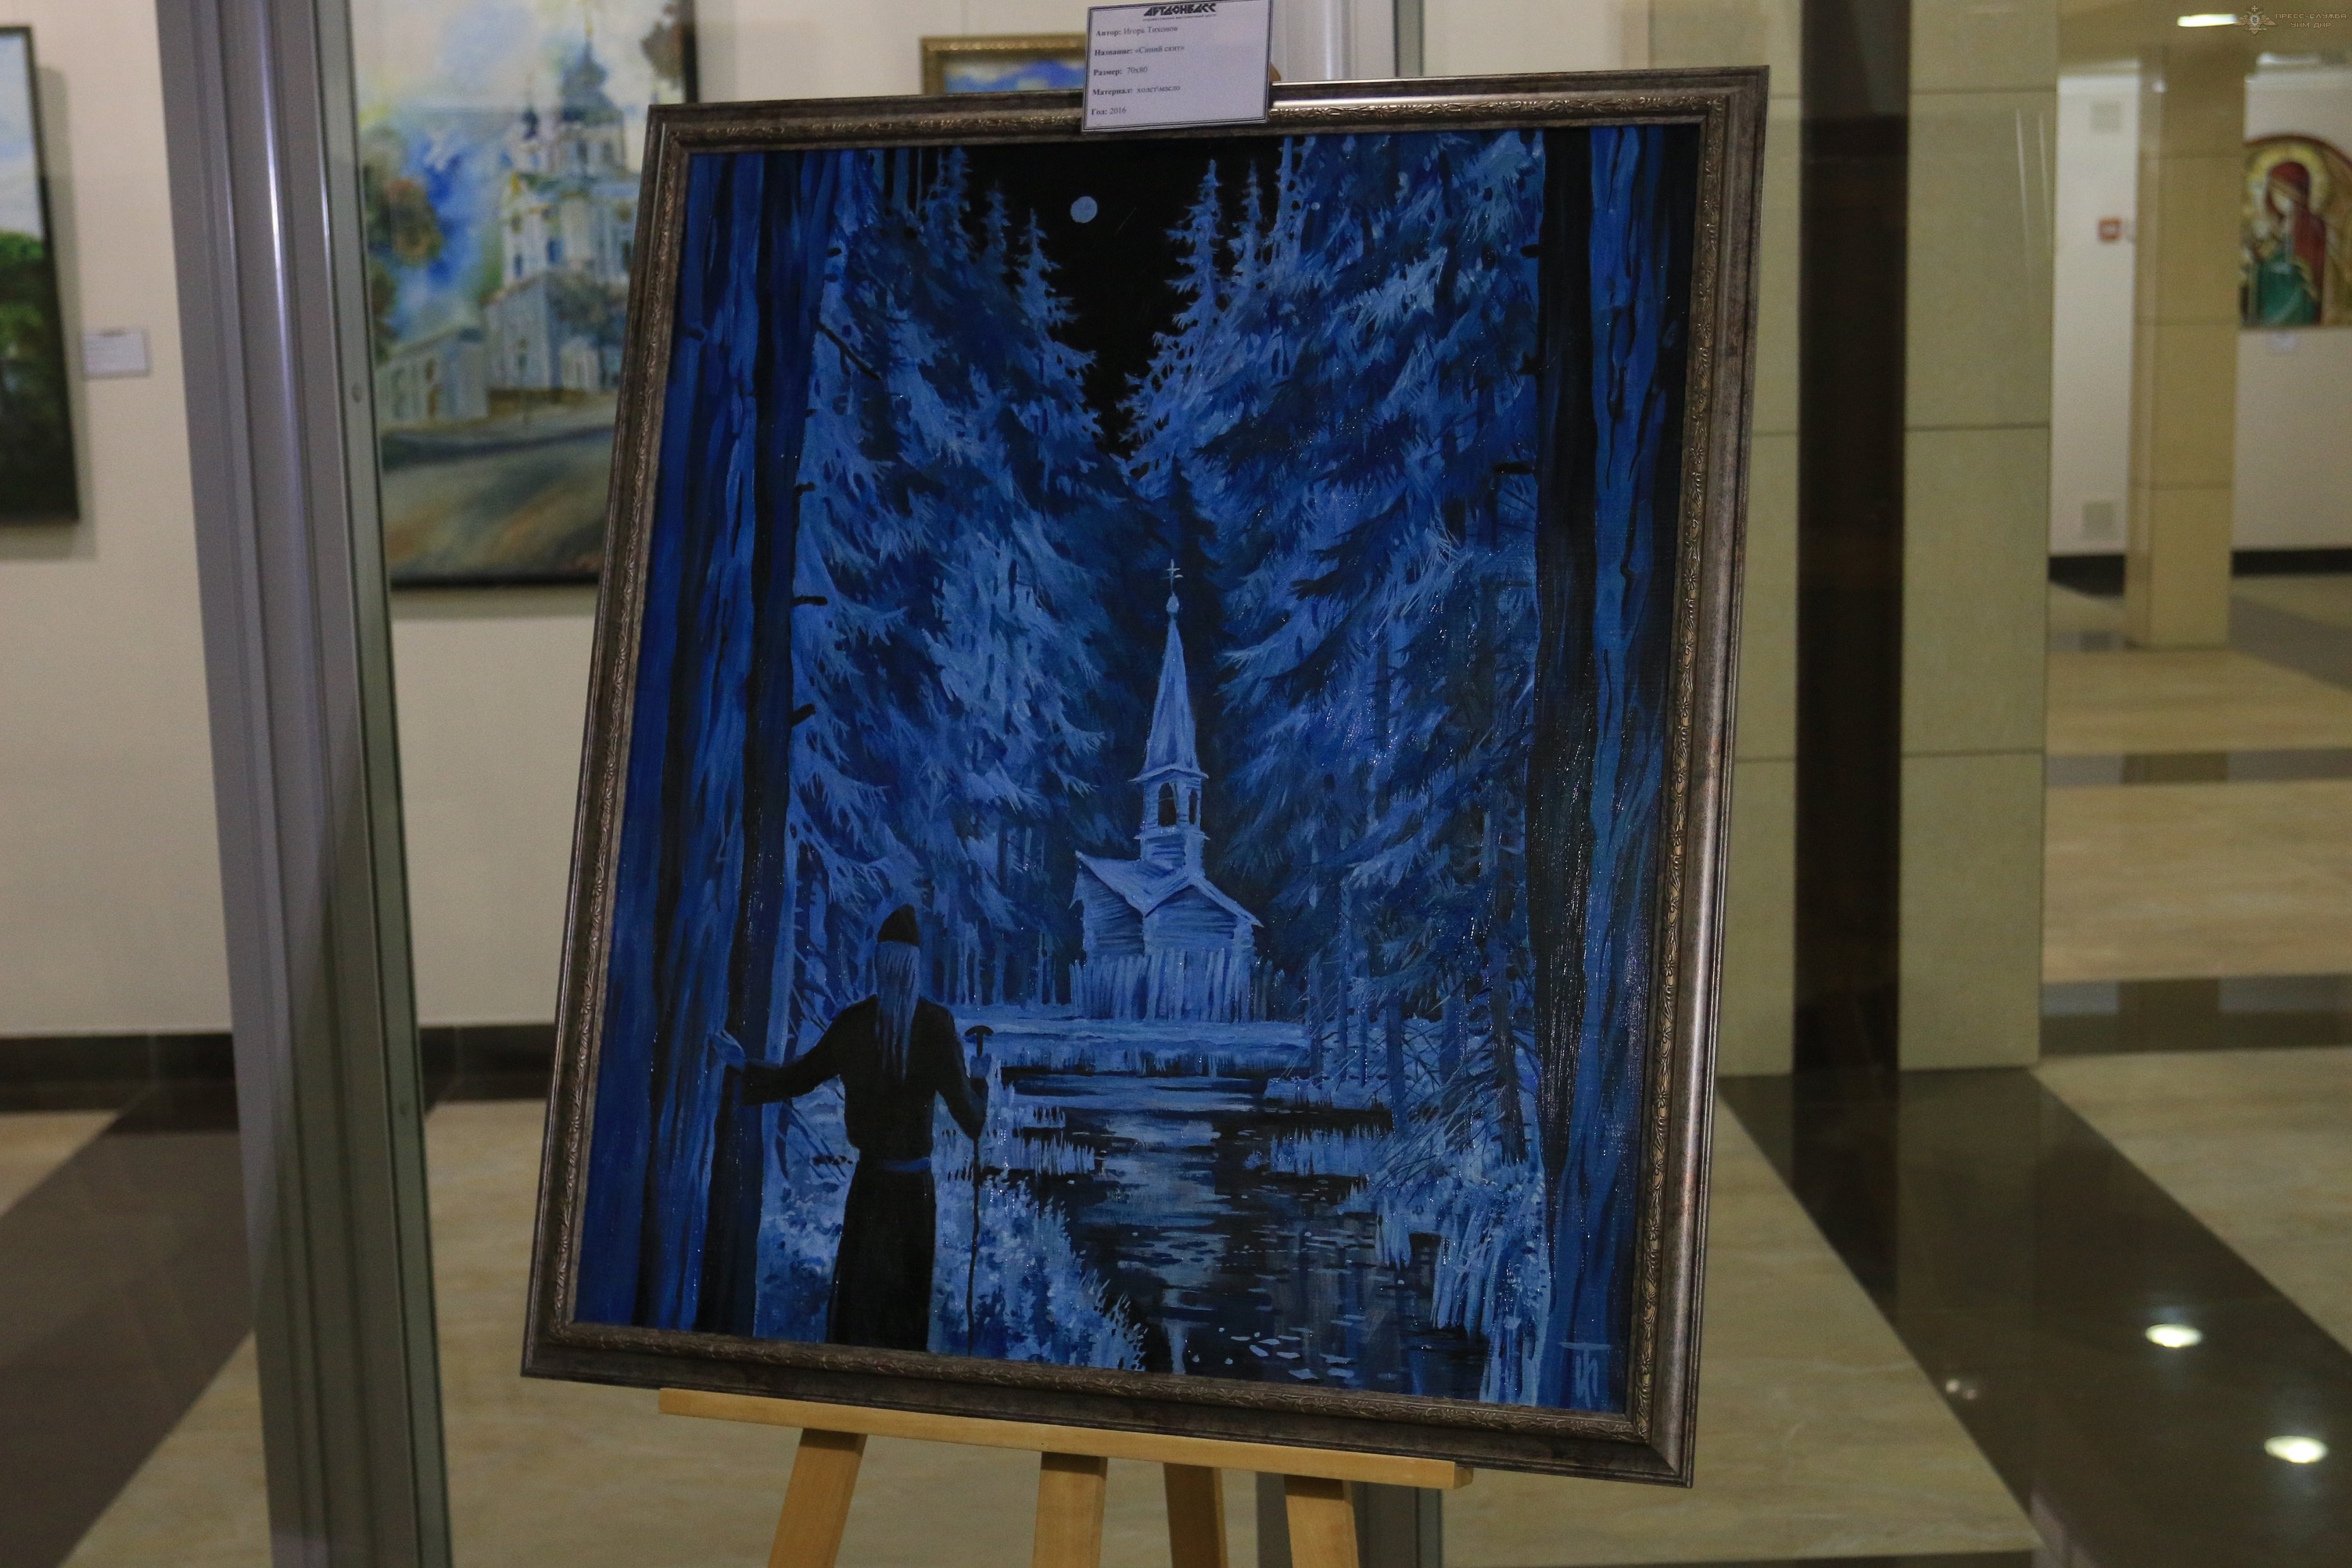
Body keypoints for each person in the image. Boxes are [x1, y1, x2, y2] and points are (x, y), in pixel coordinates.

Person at [738, 905, 987, 1351]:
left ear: (879, 964)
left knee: (859, 1308)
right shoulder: (936, 1025)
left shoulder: (853, 1024)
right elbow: (971, 1119)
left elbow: (797, 1078)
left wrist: (743, 1067)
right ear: (914, 967)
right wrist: (980, 1080)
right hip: (914, 1193)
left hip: (869, 1187)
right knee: (904, 1313)